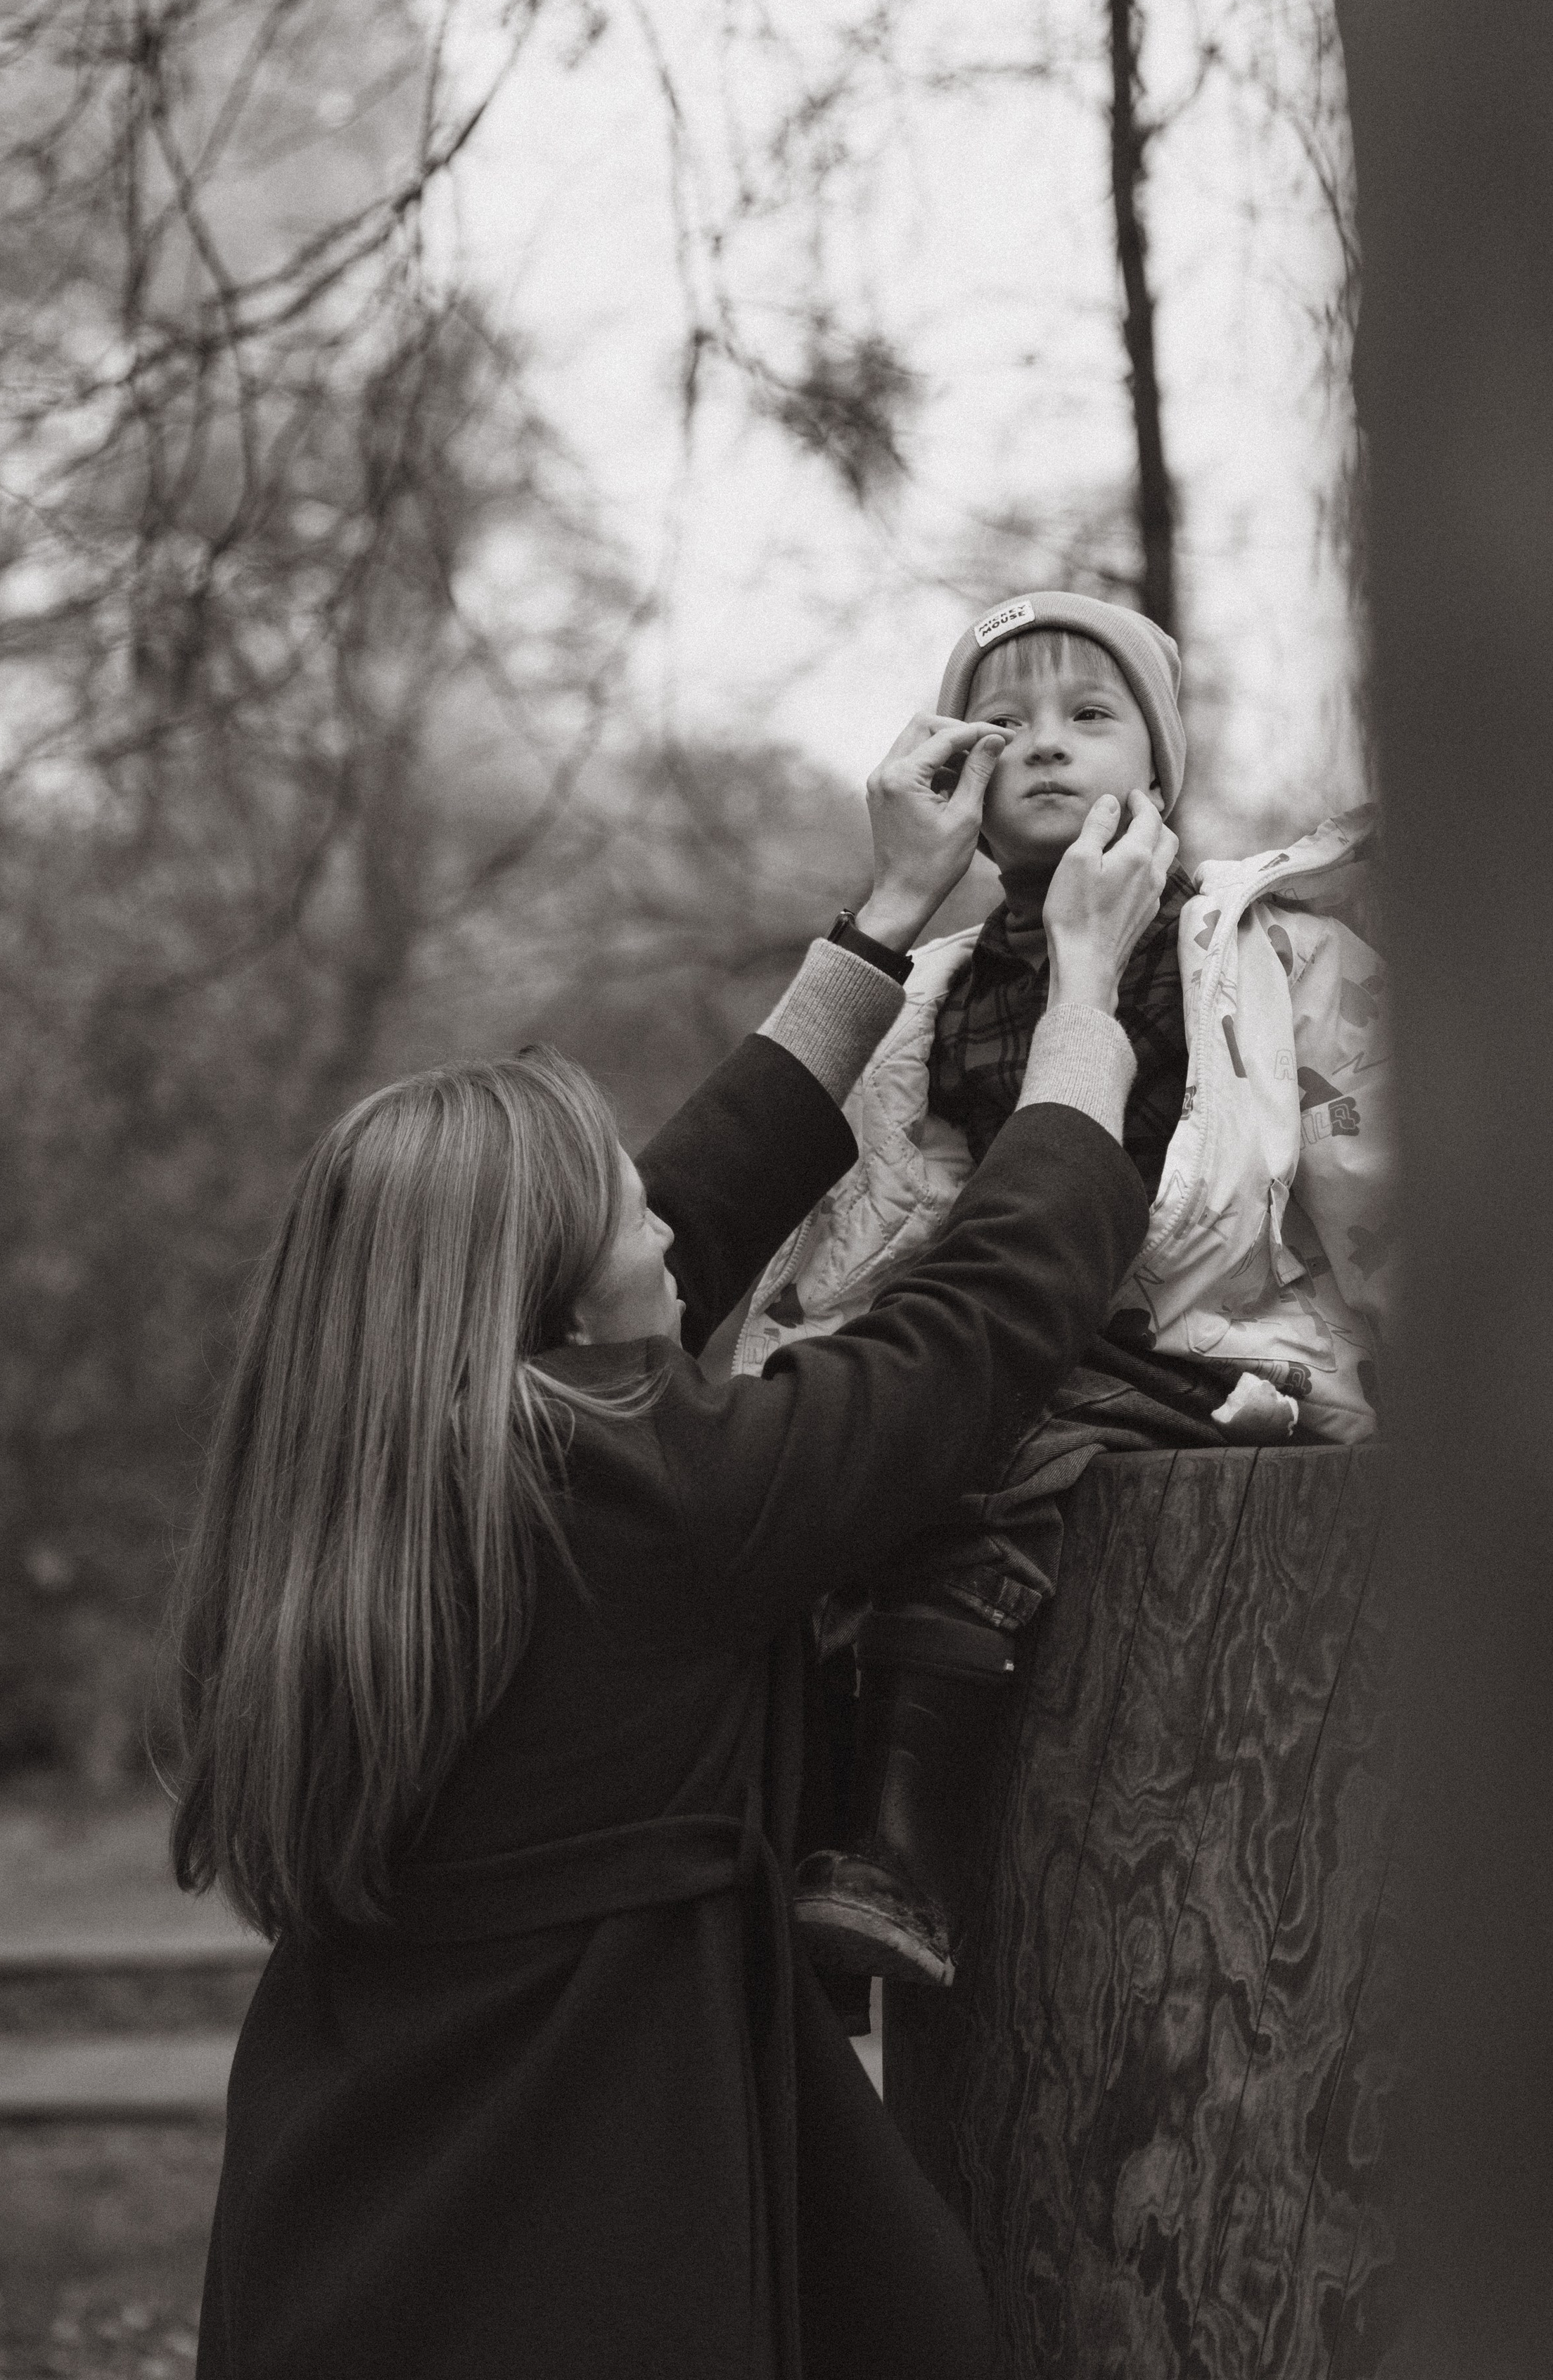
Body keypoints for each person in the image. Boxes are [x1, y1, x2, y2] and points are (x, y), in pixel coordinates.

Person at [170, 708, 1175, 2380]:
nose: (660, 1212)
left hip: (345, 2188)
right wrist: (1081, 1014)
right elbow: (967, 1336)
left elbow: (676, 1214)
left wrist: (880, 923)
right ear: (562, 1303)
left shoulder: (356, 1473)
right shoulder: (634, 1498)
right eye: (617, 1211)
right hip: (588, 2179)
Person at [750, 594, 1391, 1993]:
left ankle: (903, 1852)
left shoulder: (1260, 952)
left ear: (1160, 767)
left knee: (984, 1456)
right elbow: (872, 1212)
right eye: (1005, 723)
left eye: (1089, 715)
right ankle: (802, 1868)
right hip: (1007, 1337)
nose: (1043, 743)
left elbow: (1372, 1178)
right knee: (857, 1457)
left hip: (1206, 1347)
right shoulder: (934, 992)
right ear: (957, 785)